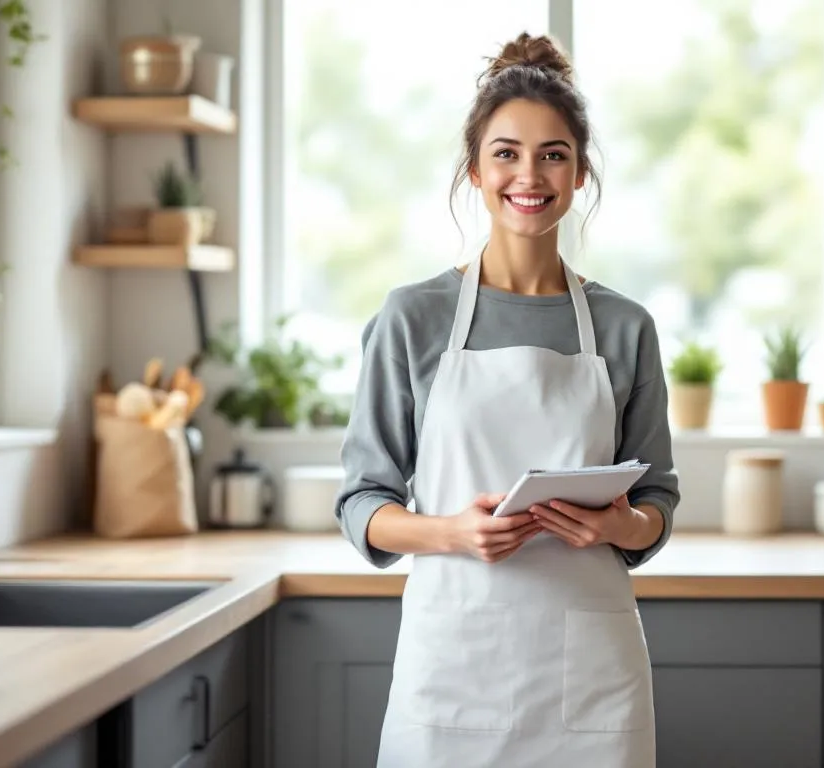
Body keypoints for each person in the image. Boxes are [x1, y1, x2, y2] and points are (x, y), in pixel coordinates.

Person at [335, 31, 681, 768]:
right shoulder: (413, 317)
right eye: (507, 152)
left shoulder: (625, 327)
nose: (531, 174)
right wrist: (453, 534)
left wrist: (621, 525)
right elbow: (363, 502)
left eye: (554, 153)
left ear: (581, 171)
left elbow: (657, 500)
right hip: (453, 670)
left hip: (591, 679)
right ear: (474, 169)